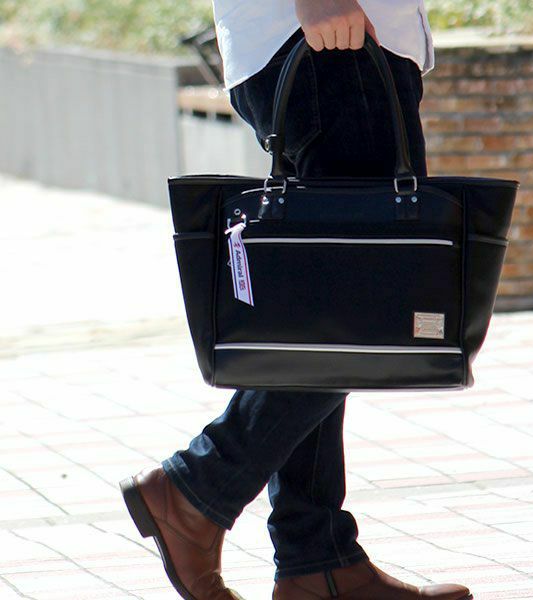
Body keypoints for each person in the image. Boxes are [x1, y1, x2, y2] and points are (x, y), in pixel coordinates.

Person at [120, 1, 473, 599]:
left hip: (337, 42)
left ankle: (316, 561)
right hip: (332, 42)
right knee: (372, 297)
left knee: (325, 306)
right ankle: (198, 489)